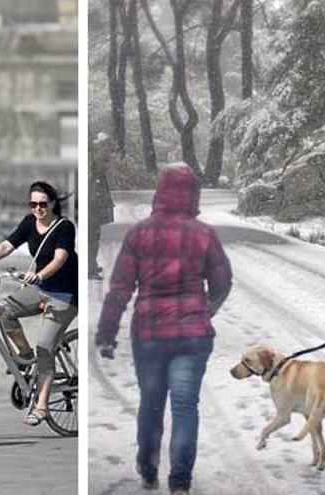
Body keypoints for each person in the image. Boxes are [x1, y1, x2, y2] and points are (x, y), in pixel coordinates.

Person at [95, 163, 232, 495]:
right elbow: (222, 281)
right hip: (193, 336)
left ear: (160, 193)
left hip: (150, 335)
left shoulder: (139, 234)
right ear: (193, 195)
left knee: (152, 404)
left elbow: (120, 289)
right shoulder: (204, 234)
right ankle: (180, 484)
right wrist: (206, 310)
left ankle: (148, 467)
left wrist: (107, 332)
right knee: (186, 407)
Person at [0, 181, 78, 426]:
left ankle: (42, 406)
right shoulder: (29, 222)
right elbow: (7, 245)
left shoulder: (64, 227)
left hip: (64, 295)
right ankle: (25, 358)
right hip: (41, 290)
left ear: (53, 203)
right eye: (33, 204)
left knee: (45, 348)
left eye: (43, 204)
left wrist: (39, 275)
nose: (38, 208)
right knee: (3, 311)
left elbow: (60, 259)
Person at [90, 133, 115, 279]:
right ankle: (90, 268)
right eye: (105, 145)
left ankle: (91, 265)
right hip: (93, 202)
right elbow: (100, 168)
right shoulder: (96, 158)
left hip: (94, 201)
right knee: (93, 236)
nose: (108, 149)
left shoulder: (95, 157)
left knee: (94, 235)